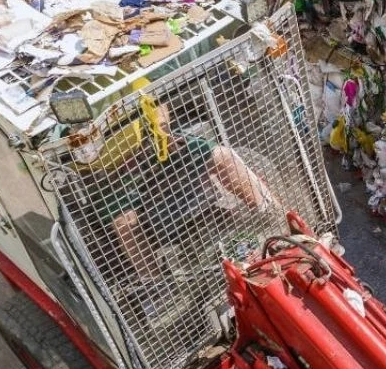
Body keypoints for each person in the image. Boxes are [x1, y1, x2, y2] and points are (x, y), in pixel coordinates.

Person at [100, 102, 275, 283]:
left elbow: (156, 99)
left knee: (222, 156)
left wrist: (163, 130)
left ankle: (272, 217)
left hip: (154, 144)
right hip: (113, 174)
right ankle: (160, 286)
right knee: (124, 223)